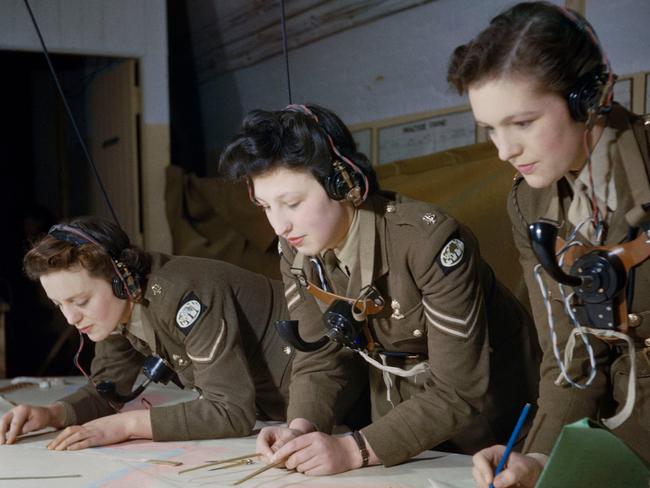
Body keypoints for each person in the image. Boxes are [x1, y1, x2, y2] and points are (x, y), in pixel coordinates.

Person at [219, 103, 540, 475]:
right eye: (265, 207)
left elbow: (458, 390)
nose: (279, 225)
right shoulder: (298, 251)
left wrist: (354, 450)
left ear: (344, 182)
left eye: (292, 202)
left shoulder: (429, 243)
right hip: (399, 433)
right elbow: (319, 356)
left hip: (492, 434)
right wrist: (300, 427)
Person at [447, 2, 650, 487]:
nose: (504, 151)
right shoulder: (530, 204)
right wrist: (538, 459)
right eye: (491, 129)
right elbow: (569, 360)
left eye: (522, 123)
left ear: (588, 98)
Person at [0, 216, 293, 449]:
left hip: (321, 398)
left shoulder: (183, 294)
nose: (71, 318)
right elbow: (108, 388)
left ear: (120, 280)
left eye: (80, 301)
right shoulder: (118, 310)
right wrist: (52, 414)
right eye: (58, 304)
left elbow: (229, 411)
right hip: (280, 412)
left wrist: (128, 425)